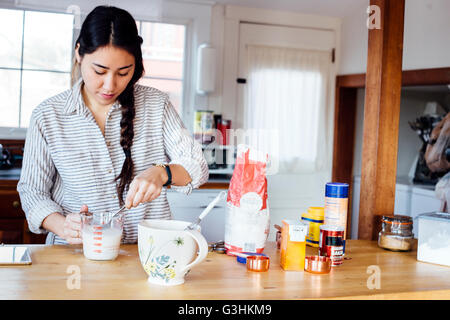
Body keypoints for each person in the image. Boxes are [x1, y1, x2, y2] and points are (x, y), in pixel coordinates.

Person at [17, 6, 209, 245]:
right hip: (75, 257)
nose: (110, 85)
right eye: (99, 71)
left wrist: (163, 173)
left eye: (123, 72)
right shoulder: (47, 116)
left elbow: (197, 165)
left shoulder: (156, 104)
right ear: (79, 53)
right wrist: (63, 225)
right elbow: (32, 192)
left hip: (147, 256)